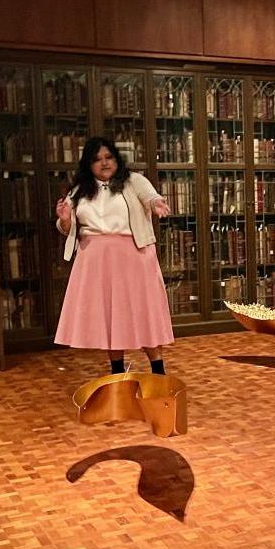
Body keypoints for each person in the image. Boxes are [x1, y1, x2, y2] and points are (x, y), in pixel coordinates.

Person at [55, 137, 174, 374]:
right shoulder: (79, 191)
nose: (104, 163)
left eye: (108, 157)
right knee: (110, 316)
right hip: (96, 260)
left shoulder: (133, 181)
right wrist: (65, 218)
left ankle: (158, 370)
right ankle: (117, 371)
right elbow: (67, 229)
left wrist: (156, 203)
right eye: (97, 159)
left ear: (116, 159)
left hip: (133, 257)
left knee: (143, 313)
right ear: (88, 165)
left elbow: (149, 196)